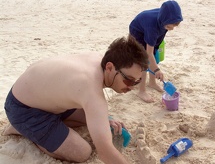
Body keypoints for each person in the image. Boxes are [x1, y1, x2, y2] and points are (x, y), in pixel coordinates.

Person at [3, 35, 149, 163]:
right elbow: (105, 153)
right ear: (110, 67)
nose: (131, 87)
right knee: (81, 152)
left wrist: (103, 119)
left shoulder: (100, 60)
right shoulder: (90, 88)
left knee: (101, 118)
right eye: (129, 80)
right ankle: (24, 129)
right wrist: (101, 119)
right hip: (24, 109)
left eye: (137, 82)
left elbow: (92, 107)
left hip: (44, 99)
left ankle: (35, 128)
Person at [129, 0, 183, 103]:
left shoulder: (166, 20)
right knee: (144, 61)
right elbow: (148, 54)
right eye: (169, 27)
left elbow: (153, 48)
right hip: (137, 31)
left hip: (154, 28)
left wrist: (154, 63)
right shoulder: (152, 27)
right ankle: (142, 90)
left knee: (154, 53)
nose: (171, 29)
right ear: (163, 21)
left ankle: (152, 83)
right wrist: (157, 70)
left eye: (173, 27)